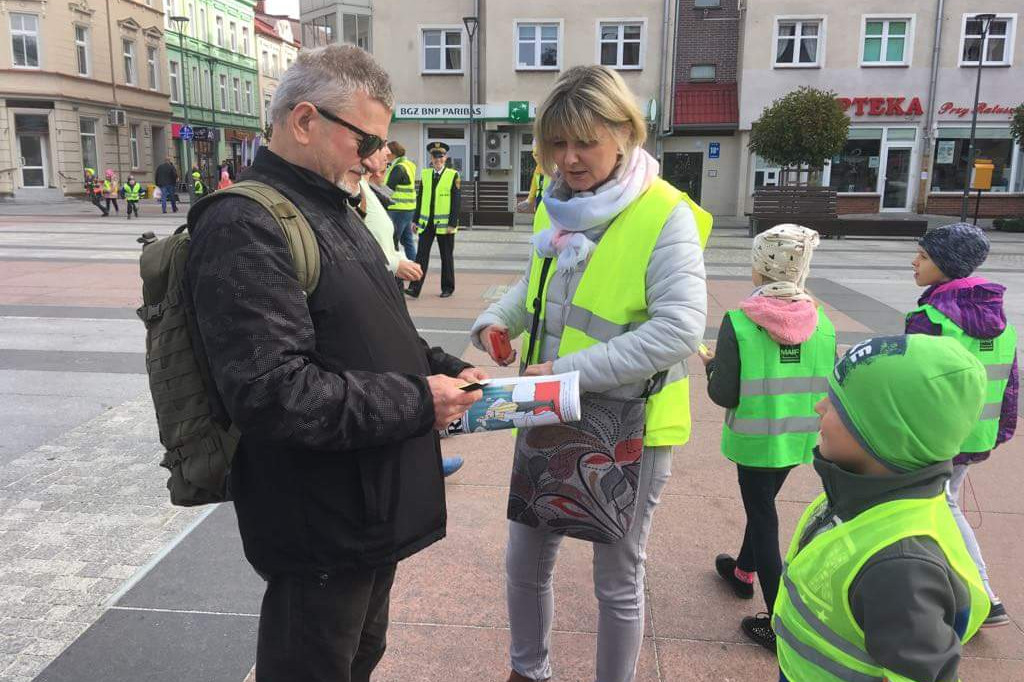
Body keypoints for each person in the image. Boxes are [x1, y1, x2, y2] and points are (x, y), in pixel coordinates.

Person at [184, 44, 485, 682]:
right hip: (319, 520)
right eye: (365, 140)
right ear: (304, 121)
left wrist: (445, 367)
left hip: (367, 507)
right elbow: (274, 392)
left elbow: (371, 331)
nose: (376, 159)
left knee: (357, 657)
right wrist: (420, 400)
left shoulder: (332, 206)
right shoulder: (247, 223)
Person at [471, 65, 709, 682]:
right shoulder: (558, 205)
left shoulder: (665, 213)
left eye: (585, 142)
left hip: (631, 421)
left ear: (625, 132)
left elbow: (679, 330)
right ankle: (528, 671)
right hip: (548, 407)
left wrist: (565, 370)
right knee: (525, 560)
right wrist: (498, 320)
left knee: (617, 576)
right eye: (556, 143)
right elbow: (536, 284)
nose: (569, 158)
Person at [774, 334, 991, 682]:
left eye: (837, 405)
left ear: (882, 433)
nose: (819, 406)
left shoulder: (900, 567)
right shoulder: (857, 491)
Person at [698, 224, 835, 651]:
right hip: (799, 436)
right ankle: (743, 572)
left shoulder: (740, 322)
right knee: (764, 505)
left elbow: (724, 393)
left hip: (756, 439)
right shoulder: (822, 321)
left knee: (763, 516)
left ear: (759, 269)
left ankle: (778, 623)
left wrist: (712, 366)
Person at [906, 221, 1018, 628]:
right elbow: (1010, 385)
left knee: (939, 508)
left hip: (933, 437)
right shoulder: (1000, 322)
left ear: (946, 264)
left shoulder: (930, 319)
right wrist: (999, 431)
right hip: (973, 434)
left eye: (924, 256)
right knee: (941, 503)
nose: (914, 262)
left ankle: (983, 595)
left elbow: (911, 384)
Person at [361, 155, 464, 477]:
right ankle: (422, 451)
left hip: (388, 282)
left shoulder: (365, 189)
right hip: (374, 290)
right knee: (389, 376)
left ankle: (426, 448)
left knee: (403, 360)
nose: (386, 157)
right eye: (377, 146)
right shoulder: (353, 192)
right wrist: (395, 263)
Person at [406, 142, 460, 299]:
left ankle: (448, 288)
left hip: (445, 225)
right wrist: (415, 220)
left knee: (446, 257)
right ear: (431, 158)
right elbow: (420, 198)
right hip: (426, 223)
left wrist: (452, 223)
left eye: (441, 156)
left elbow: (456, 201)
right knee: (421, 256)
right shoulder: (425, 174)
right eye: (435, 157)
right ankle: (414, 288)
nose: (438, 160)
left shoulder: (453, 175)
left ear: (446, 158)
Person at [384, 141, 417, 261]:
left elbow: (388, 189)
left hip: (398, 208)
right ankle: (415, 266)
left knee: (392, 241)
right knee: (407, 241)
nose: (385, 154)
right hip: (408, 208)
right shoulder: (408, 164)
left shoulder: (399, 167)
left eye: (388, 152)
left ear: (393, 153)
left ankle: (395, 269)